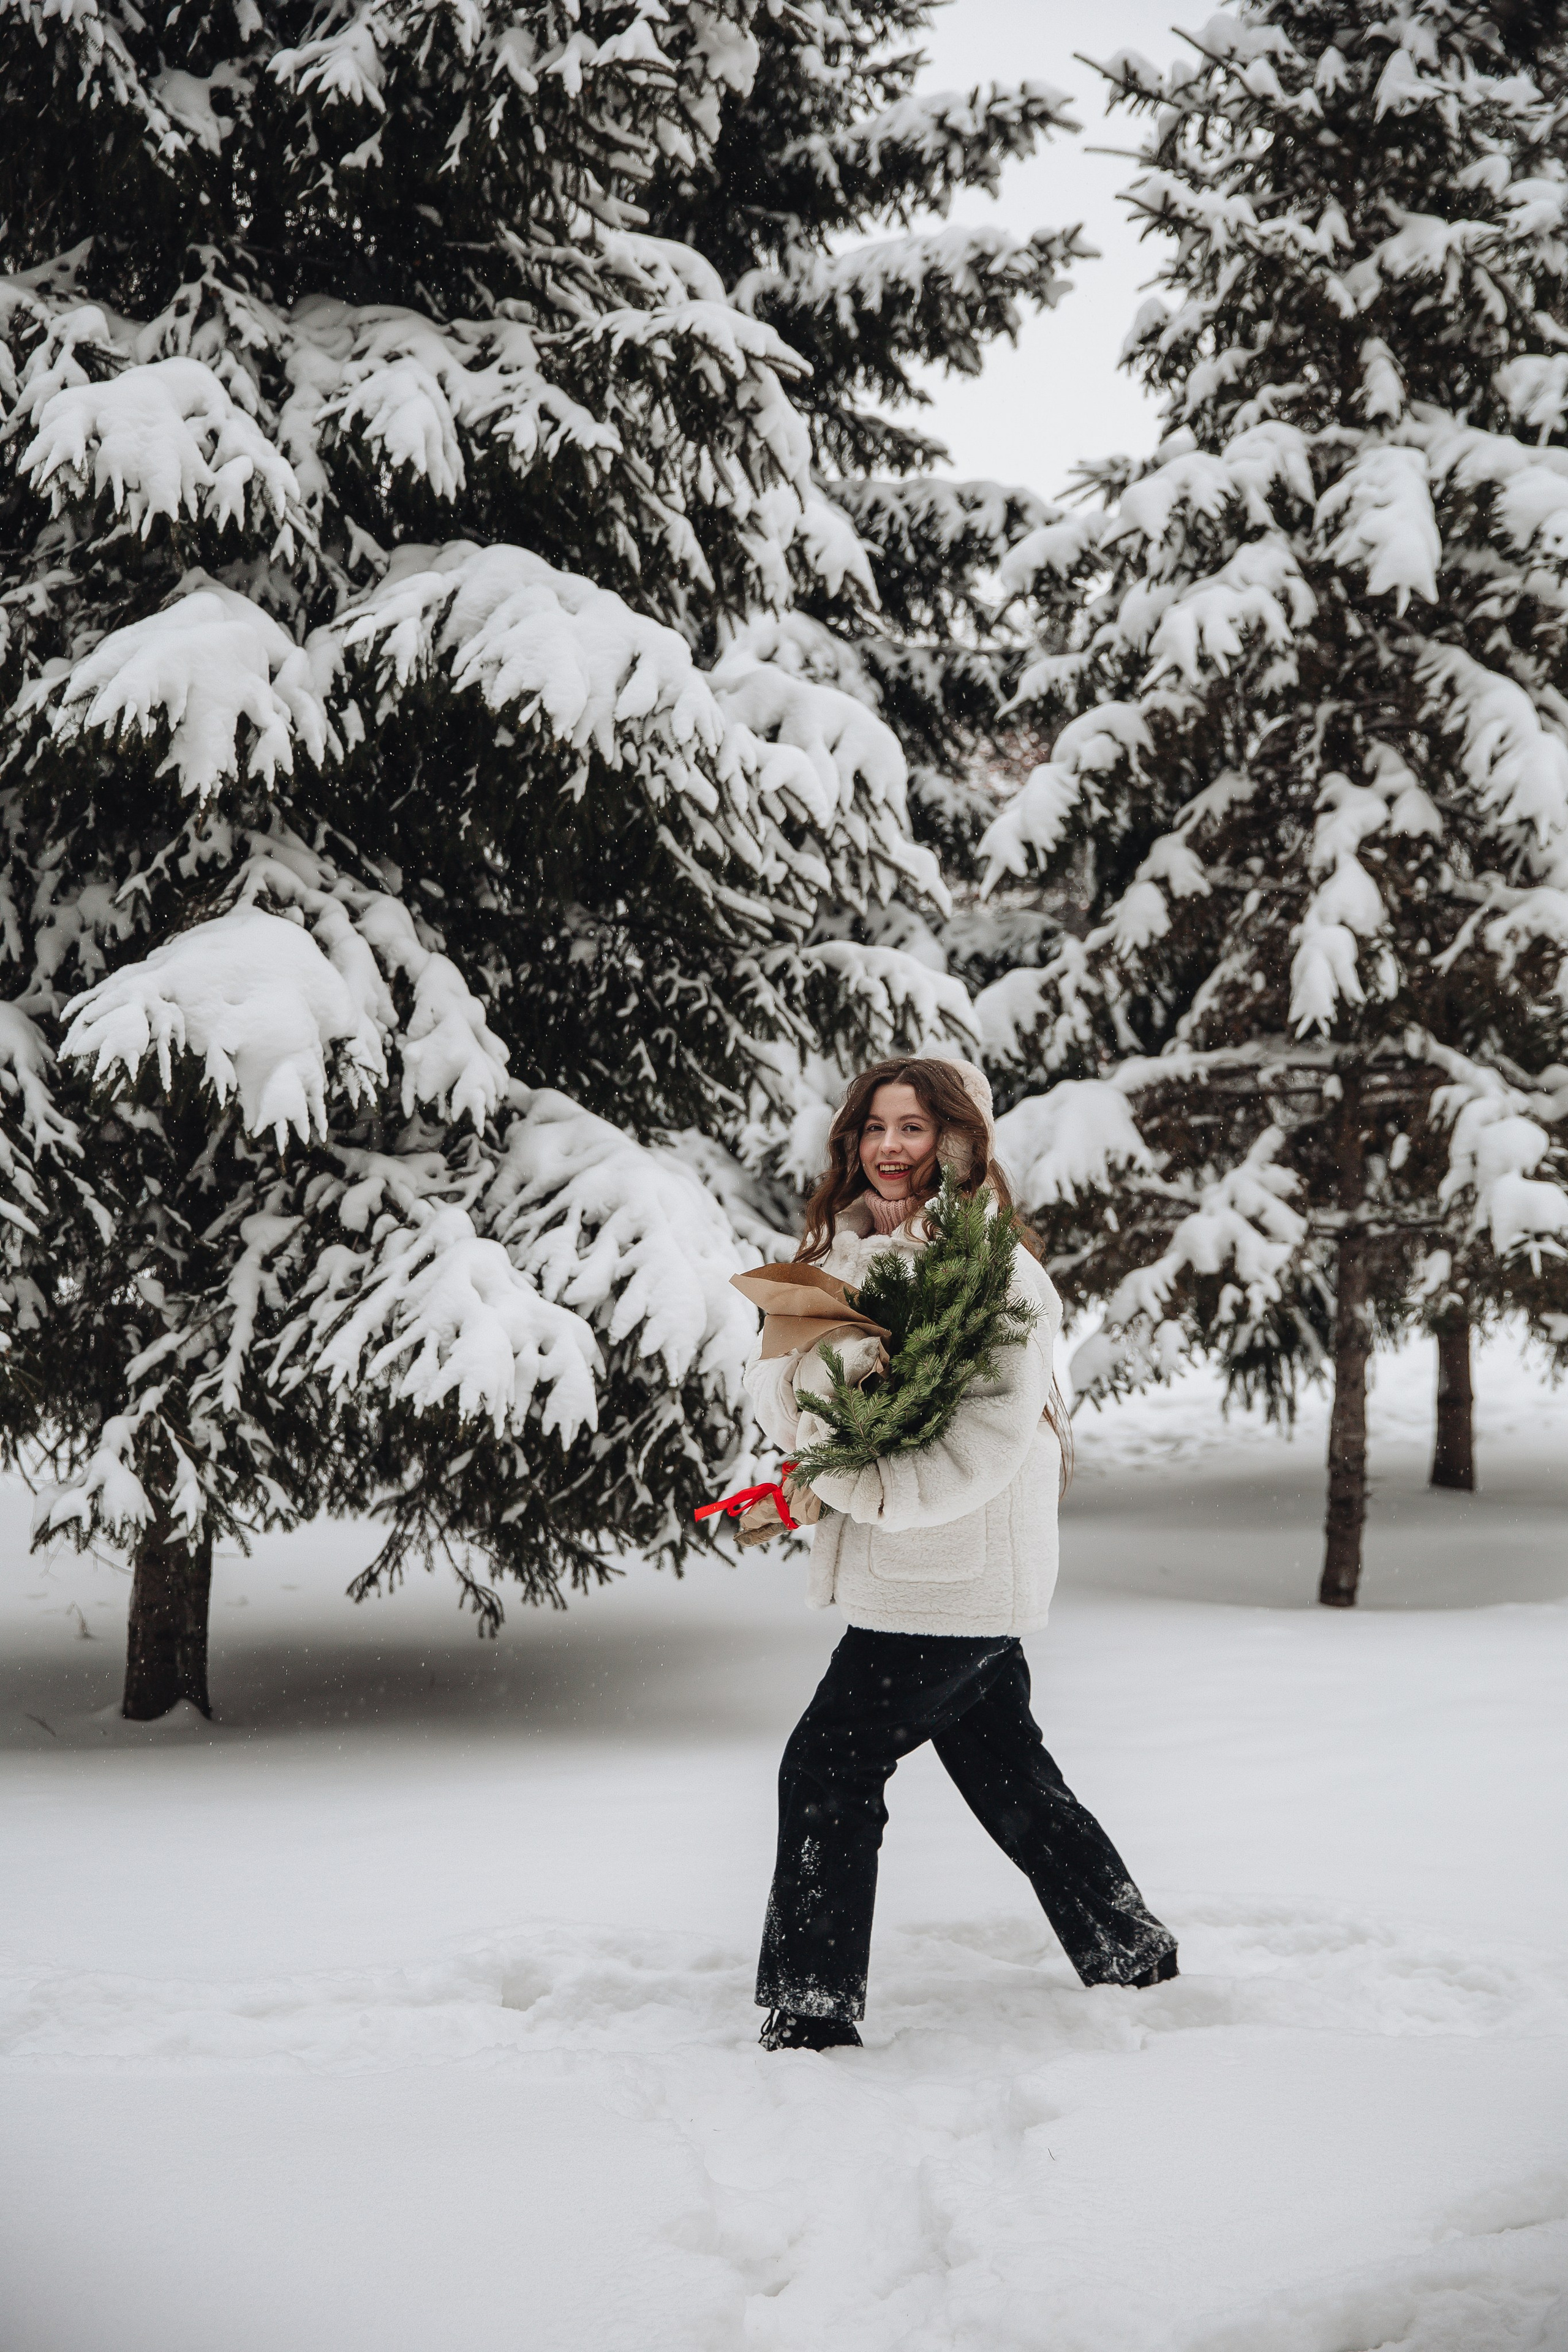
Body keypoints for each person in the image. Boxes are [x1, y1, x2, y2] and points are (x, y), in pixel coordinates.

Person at [744, 1055, 1178, 2052]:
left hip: (950, 1580)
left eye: (915, 1128)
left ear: (960, 1143)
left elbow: (978, 1448)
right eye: (876, 1127)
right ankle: (1129, 1950)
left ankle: (812, 2010)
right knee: (1008, 1775)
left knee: (828, 1766)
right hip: (925, 1579)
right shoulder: (843, 1260)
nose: (891, 1149)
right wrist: (820, 1412)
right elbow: (777, 1390)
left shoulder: (996, 1277)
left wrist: (851, 1477)